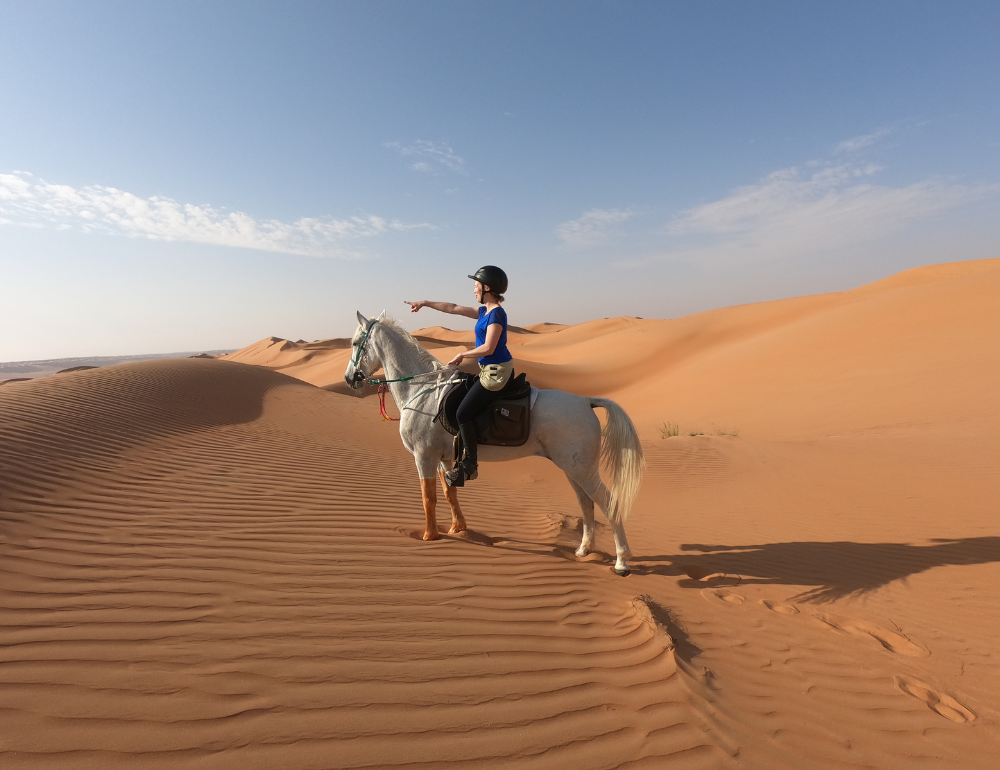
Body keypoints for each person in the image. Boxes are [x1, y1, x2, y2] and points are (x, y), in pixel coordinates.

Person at [404, 265, 513, 486]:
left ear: (487, 288)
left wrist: (463, 353)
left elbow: (489, 348)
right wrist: (425, 302)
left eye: (476, 286)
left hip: (497, 373)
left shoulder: (497, 314)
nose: (474, 290)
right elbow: (452, 308)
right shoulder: (484, 312)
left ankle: (469, 466)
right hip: (487, 370)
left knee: (463, 413)